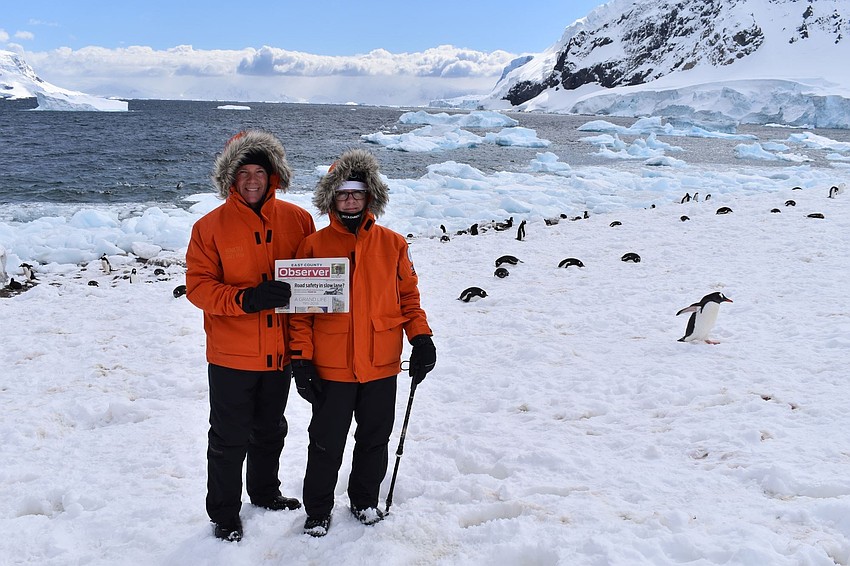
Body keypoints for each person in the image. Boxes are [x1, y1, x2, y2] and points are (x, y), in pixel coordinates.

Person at [289, 149, 436, 537]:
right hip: (332, 367)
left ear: (369, 195)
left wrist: (421, 338)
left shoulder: (393, 244)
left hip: (381, 364)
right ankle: (318, 510)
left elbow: (409, 298)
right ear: (331, 199)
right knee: (325, 443)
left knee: (374, 439)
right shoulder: (314, 247)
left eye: (356, 192)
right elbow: (301, 313)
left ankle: (364, 500)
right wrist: (301, 359)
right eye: (342, 193)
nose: (350, 199)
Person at [186, 130, 316, 542]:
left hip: (278, 354)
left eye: (260, 171)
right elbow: (198, 287)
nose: (253, 179)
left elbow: (312, 281)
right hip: (231, 356)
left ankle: (263, 493)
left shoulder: (297, 219)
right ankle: (224, 513)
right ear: (231, 178)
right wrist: (246, 298)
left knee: (271, 429)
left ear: (273, 175)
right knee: (228, 439)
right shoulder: (209, 227)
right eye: (244, 172)